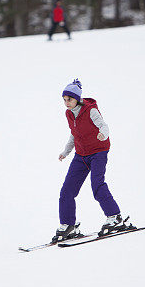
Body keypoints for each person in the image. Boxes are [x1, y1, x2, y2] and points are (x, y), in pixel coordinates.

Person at [53, 79, 134, 243]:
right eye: (64, 99)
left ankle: (115, 217)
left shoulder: (90, 111)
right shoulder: (69, 114)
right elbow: (74, 134)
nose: (66, 103)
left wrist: (103, 135)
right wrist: (66, 151)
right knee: (67, 190)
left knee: (97, 185)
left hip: (98, 152)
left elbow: (104, 126)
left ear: (77, 98)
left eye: (69, 99)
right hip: (81, 155)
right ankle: (68, 225)